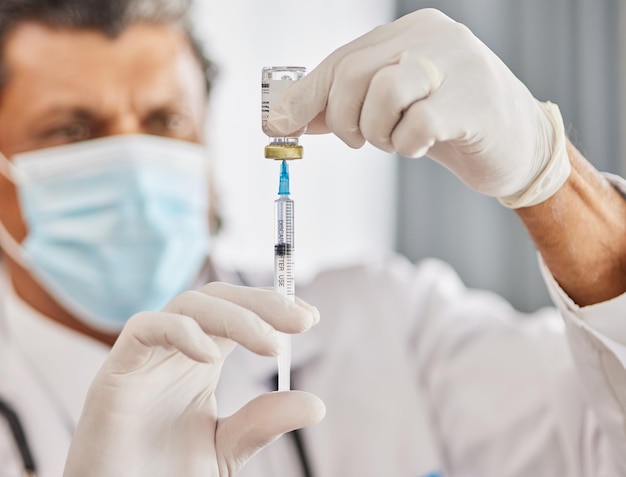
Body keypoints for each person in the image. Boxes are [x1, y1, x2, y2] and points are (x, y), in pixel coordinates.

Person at [0, 1, 625, 476]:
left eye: (167, 121)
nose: (135, 162)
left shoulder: (390, 327)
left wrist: (551, 180)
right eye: (72, 131)